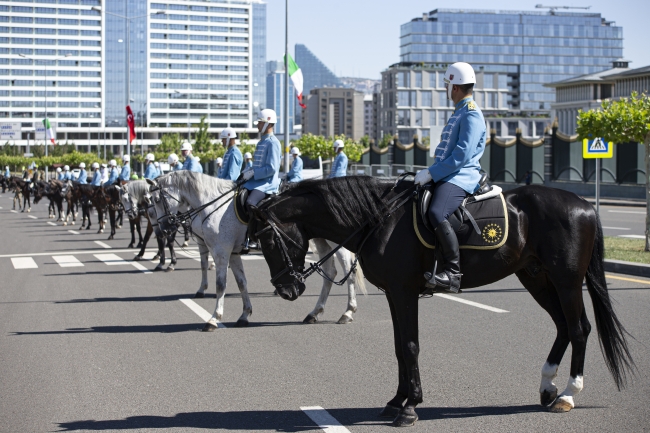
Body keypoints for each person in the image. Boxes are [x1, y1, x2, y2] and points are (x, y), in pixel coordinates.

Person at [414, 62, 486, 294]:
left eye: (447, 85)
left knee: (436, 212)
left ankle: (453, 273)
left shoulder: (472, 113)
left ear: (454, 87)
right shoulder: (460, 112)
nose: (446, 89)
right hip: (447, 174)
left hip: (461, 176)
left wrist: (431, 173)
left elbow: (461, 156)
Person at [241, 109, 281, 251]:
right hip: (256, 182)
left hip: (267, 184)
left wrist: (253, 172)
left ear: (267, 124)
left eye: (260, 122)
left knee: (251, 203)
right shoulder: (262, 142)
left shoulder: (273, 143)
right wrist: (248, 170)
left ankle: (254, 238)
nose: (258, 125)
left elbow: (271, 169)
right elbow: (258, 164)